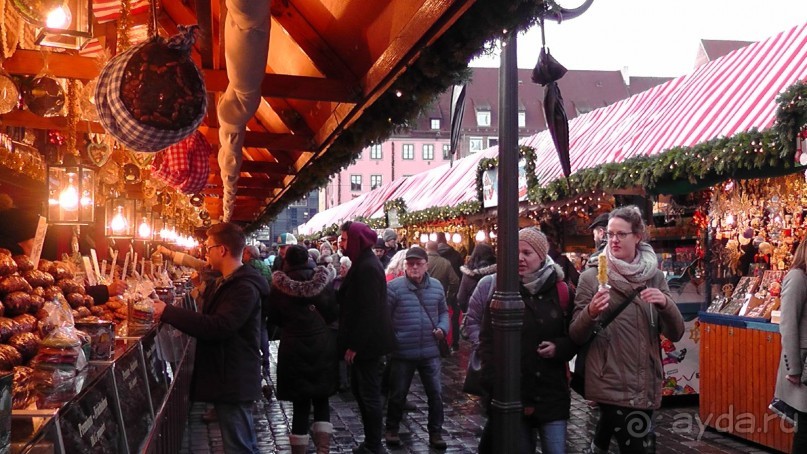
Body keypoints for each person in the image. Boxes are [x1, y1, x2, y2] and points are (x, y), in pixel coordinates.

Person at [570, 206, 684, 454]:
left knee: (639, 440)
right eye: (609, 234)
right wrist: (590, 312)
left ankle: (598, 445)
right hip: (609, 378)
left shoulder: (653, 276)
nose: (613, 240)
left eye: (621, 234)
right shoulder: (591, 277)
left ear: (637, 236)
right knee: (638, 446)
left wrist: (666, 304)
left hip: (645, 377)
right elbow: (575, 334)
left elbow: (675, 333)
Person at [153, 222, 270, 454]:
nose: (206, 253)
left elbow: (219, 326)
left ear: (222, 250)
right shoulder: (228, 281)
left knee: (240, 446)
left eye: (209, 248)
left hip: (233, 375)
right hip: (228, 373)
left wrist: (168, 312)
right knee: (240, 442)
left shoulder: (243, 287)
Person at [476, 227, 577, 453]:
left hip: (552, 393)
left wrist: (559, 348)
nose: (520, 258)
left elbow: (575, 336)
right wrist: (494, 385)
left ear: (542, 256)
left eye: (527, 252)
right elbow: (487, 341)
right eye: (516, 252)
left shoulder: (561, 291)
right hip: (514, 393)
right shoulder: (503, 290)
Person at [268, 244, 338, 454]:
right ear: (307, 258)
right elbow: (332, 312)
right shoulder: (323, 282)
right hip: (321, 344)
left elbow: (274, 318)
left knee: (300, 403)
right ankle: (323, 450)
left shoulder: (278, 286)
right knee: (322, 398)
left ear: (287, 261)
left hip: (293, 346)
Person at [337, 221, 396, 454]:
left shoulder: (367, 267)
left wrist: (355, 345)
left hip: (368, 345)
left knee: (368, 393)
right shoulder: (362, 263)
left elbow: (369, 310)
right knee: (362, 392)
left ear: (355, 240)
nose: (340, 243)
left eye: (343, 239)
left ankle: (374, 444)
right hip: (365, 342)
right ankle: (371, 442)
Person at [384, 246, 449, 450]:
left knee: (435, 394)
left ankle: (436, 432)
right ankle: (392, 428)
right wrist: (393, 340)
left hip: (430, 351)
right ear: (405, 265)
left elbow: (444, 313)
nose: (414, 267)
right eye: (410, 263)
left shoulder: (437, 287)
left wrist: (442, 328)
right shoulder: (394, 288)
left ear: (426, 265)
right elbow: (384, 318)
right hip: (403, 351)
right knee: (398, 394)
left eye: (418, 263)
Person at [774, 239, 807, 453]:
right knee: (805, 427)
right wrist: (794, 367)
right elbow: (788, 324)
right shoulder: (798, 277)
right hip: (804, 367)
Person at [424, 241, 459, 351]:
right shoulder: (445, 263)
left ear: (426, 248)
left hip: (422, 297)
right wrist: (449, 294)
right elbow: (455, 281)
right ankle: (440, 344)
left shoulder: (423, 263)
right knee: (440, 321)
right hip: (440, 296)